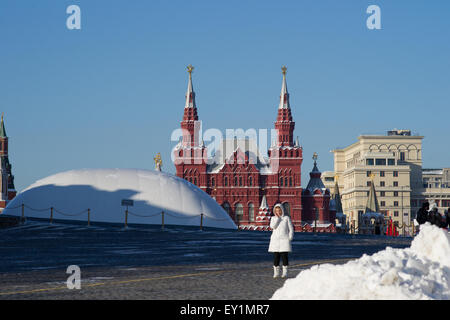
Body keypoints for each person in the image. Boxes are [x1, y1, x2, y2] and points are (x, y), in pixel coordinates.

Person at [268, 203, 294, 278]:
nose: (278, 212)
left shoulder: (286, 218)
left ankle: (285, 272)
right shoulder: (273, 218)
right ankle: (276, 272)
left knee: (284, 256)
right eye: (276, 211)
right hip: (275, 240)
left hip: (284, 240)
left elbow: (291, 228)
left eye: (279, 210)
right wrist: (278, 219)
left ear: (282, 210)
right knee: (276, 257)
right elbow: (273, 226)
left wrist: (290, 237)